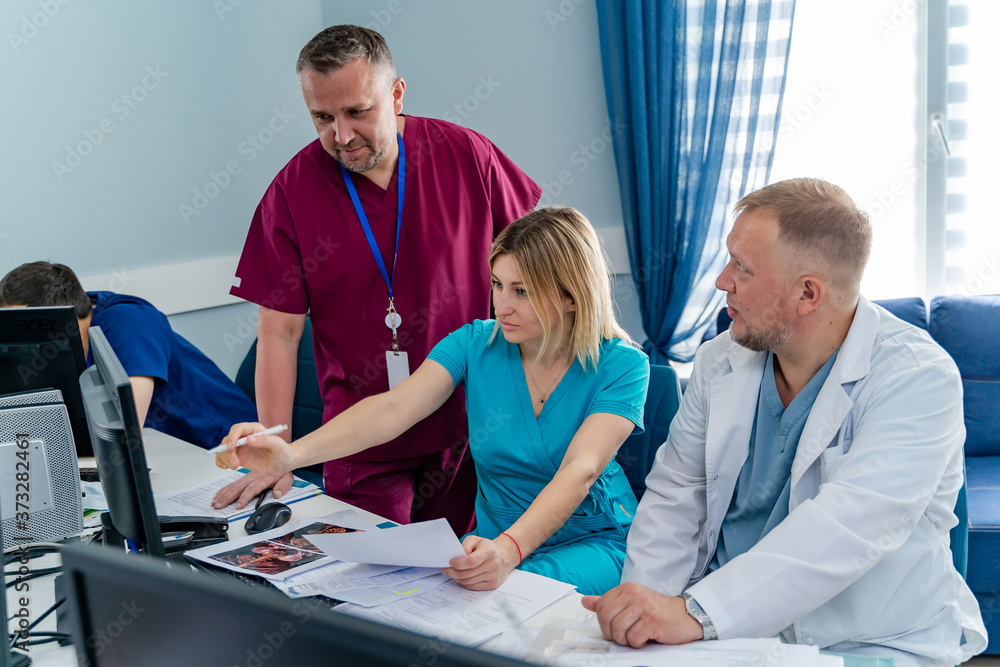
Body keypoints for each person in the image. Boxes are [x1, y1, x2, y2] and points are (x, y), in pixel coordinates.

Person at [582, 179, 987, 666]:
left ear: (808, 293)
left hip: (863, 642)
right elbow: (676, 494)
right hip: (724, 634)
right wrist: (643, 611)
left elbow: (847, 527)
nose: (721, 281)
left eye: (743, 269)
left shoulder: (917, 378)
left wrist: (696, 614)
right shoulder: (720, 361)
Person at [213, 25, 541, 536]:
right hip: (359, 432)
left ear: (396, 93)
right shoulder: (291, 193)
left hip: (472, 419)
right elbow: (279, 333)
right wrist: (277, 448)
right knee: (363, 581)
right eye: (323, 117)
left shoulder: (467, 156)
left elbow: (534, 271)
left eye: (356, 112)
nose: (341, 136)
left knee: (457, 583)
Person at [217, 207, 649, 595]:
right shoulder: (475, 343)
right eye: (497, 285)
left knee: (507, 604)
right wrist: (290, 455)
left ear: (571, 296)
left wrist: (510, 551)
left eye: (523, 291)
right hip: (492, 543)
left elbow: (581, 469)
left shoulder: (623, 366)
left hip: (590, 541)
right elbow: (394, 409)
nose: (502, 305)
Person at [0, 261, 258, 450]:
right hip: (164, 449)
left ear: (56, 317)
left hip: (227, 444)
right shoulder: (64, 344)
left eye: (24, 325)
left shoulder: (126, 321)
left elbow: (125, 425)